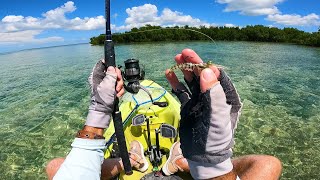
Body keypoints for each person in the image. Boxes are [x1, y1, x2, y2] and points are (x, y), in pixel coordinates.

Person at [46, 49, 282, 180]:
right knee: (270, 163)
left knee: (56, 165)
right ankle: (180, 162)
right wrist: (212, 165)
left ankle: (125, 162)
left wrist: (98, 116)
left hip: (129, 169)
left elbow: (55, 166)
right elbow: (265, 163)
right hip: (191, 169)